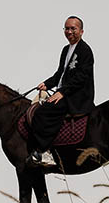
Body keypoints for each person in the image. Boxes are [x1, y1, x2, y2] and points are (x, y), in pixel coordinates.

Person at [29, 16, 95, 167]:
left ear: (82, 31)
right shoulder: (66, 50)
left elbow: (81, 77)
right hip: (66, 91)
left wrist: (63, 92)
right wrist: (46, 84)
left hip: (77, 95)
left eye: (73, 28)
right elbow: (60, 74)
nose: (69, 31)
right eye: (67, 28)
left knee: (43, 112)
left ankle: (45, 152)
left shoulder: (85, 50)